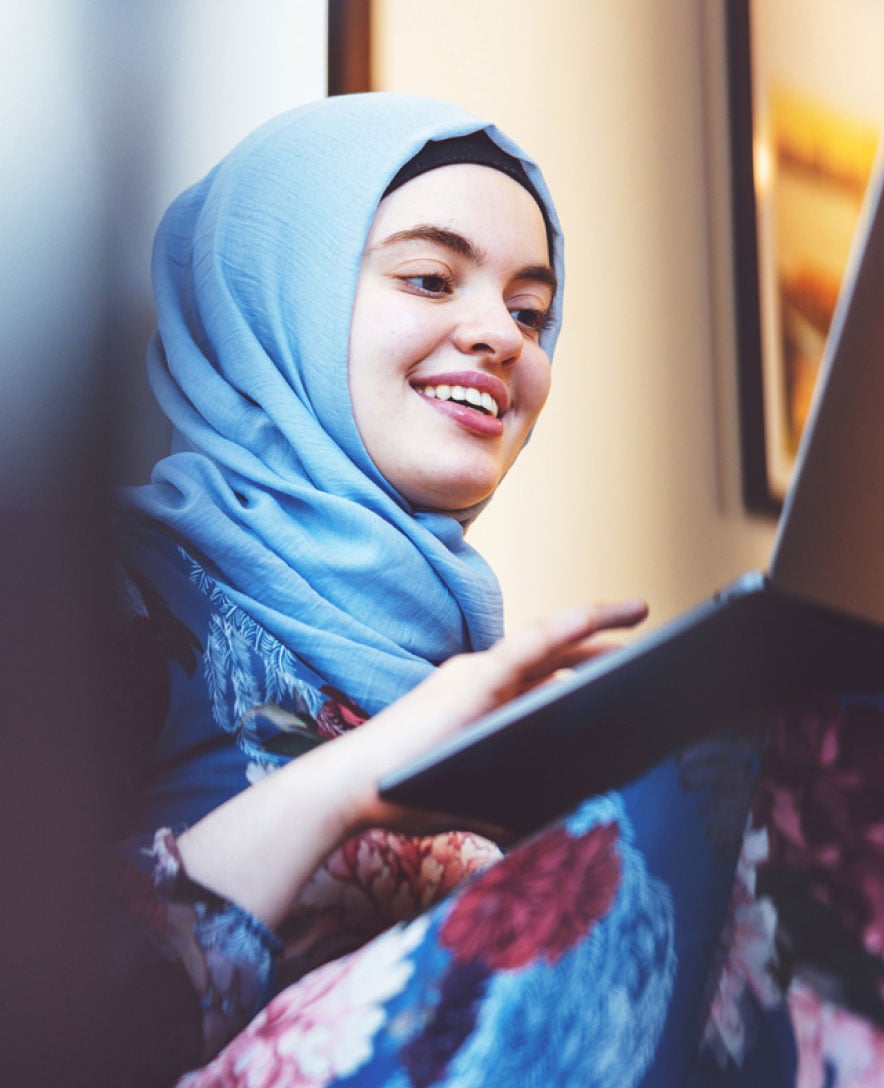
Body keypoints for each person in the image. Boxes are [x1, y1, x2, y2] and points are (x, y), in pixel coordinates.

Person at [108, 93, 884, 1088]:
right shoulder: (105, 593)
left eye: (528, 309)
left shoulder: (468, 672)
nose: (499, 336)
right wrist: (357, 780)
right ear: (272, 293)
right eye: (429, 278)